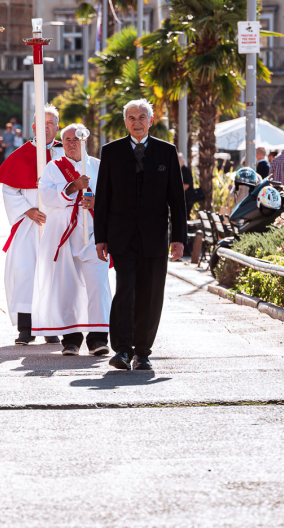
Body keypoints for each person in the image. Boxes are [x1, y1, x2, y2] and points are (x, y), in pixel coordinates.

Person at [93, 99, 186, 372]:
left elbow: (177, 200)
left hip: (156, 238)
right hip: (121, 237)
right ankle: (122, 349)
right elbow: (104, 200)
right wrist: (101, 238)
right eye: (131, 117)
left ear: (151, 120)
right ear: (125, 122)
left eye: (141, 117)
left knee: (151, 294)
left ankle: (143, 352)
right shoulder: (111, 152)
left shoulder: (166, 152)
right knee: (125, 291)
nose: (137, 122)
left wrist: (179, 237)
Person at [32, 124, 113, 356]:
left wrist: (97, 202)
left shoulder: (98, 166)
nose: (71, 143)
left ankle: (98, 338)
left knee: (98, 284)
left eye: (75, 138)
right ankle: (71, 338)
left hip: (93, 235)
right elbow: (46, 195)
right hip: (63, 234)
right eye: (66, 139)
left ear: (84, 140)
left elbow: (113, 195)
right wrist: (73, 187)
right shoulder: (53, 167)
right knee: (66, 286)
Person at [0, 105, 64, 345]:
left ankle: (52, 325)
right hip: (28, 224)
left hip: (58, 225)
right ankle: (26, 328)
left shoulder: (65, 153)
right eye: (41, 124)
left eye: (51, 123)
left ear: (57, 127)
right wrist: (28, 210)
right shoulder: (21, 153)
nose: (46, 128)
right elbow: (10, 189)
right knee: (25, 272)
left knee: (54, 274)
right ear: (33, 127)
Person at [179, 152, 197, 218]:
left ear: (183, 161)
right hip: (180, 199)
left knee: (186, 216)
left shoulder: (186, 171)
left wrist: (177, 191)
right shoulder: (177, 171)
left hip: (187, 198)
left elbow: (187, 185)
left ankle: (187, 228)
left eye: (179, 160)